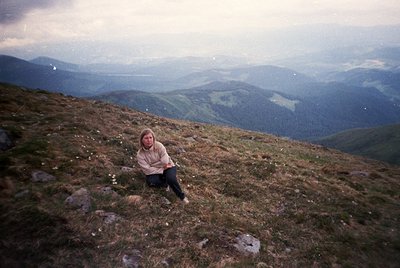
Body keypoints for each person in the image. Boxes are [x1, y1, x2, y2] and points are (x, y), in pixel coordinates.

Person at [137, 128, 189, 204]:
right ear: (142, 140)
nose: (149, 140)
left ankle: (182, 197)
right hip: (159, 170)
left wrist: (154, 166)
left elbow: (165, 161)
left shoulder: (159, 146)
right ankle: (166, 184)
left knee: (171, 179)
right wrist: (161, 168)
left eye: (150, 137)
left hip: (169, 166)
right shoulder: (140, 154)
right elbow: (147, 170)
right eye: (146, 138)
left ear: (153, 138)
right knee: (151, 182)